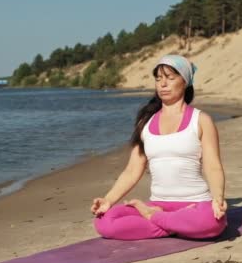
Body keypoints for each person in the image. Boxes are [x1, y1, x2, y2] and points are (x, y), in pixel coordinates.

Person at [90, 55, 227, 240]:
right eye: (158, 79)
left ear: (185, 82)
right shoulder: (145, 123)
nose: (163, 84)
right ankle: (172, 222)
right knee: (104, 221)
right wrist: (108, 200)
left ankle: (153, 218)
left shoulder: (201, 120)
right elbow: (132, 170)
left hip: (195, 203)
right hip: (158, 203)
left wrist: (218, 198)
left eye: (170, 78)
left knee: (212, 223)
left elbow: (212, 166)